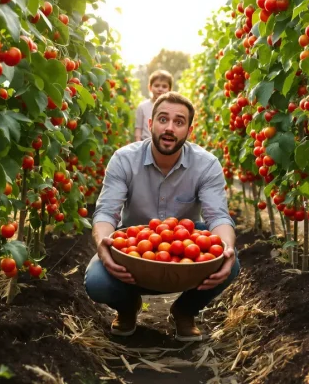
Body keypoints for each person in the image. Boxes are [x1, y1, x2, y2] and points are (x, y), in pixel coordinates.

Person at [85, 91, 240, 342]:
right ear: (150, 124)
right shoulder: (124, 159)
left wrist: (228, 249)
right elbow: (106, 211)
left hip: (183, 248)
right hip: (135, 246)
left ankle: (184, 311)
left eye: (179, 122)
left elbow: (218, 216)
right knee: (97, 281)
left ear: (189, 129)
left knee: (229, 262)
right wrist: (104, 244)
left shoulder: (206, 164)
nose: (169, 128)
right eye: (163, 119)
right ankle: (127, 307)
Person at [134, 70, 173, 142]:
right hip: (145, 144)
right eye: (156, 85)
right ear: (150, 87)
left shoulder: (172, 108)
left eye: (164, 86)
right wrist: (138, 143)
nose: (160, 89)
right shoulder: (142, 107)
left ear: (169, 89)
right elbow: (138, 128)